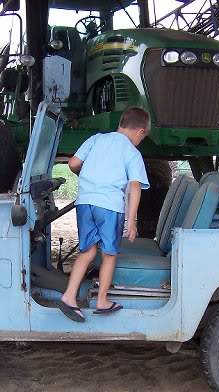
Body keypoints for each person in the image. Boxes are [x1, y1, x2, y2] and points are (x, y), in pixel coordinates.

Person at [57, 107, 150, 322]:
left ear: (121, 123)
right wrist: (132, 220)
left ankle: (69, 297)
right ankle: (102, 301)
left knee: (87, 251)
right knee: (109, 254)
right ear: (140, 132)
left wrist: (89, 177)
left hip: (85, 202)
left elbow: (73, 163)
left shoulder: (96, 139)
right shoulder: (131, 152)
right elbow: (135, 187)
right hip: (109, 206)